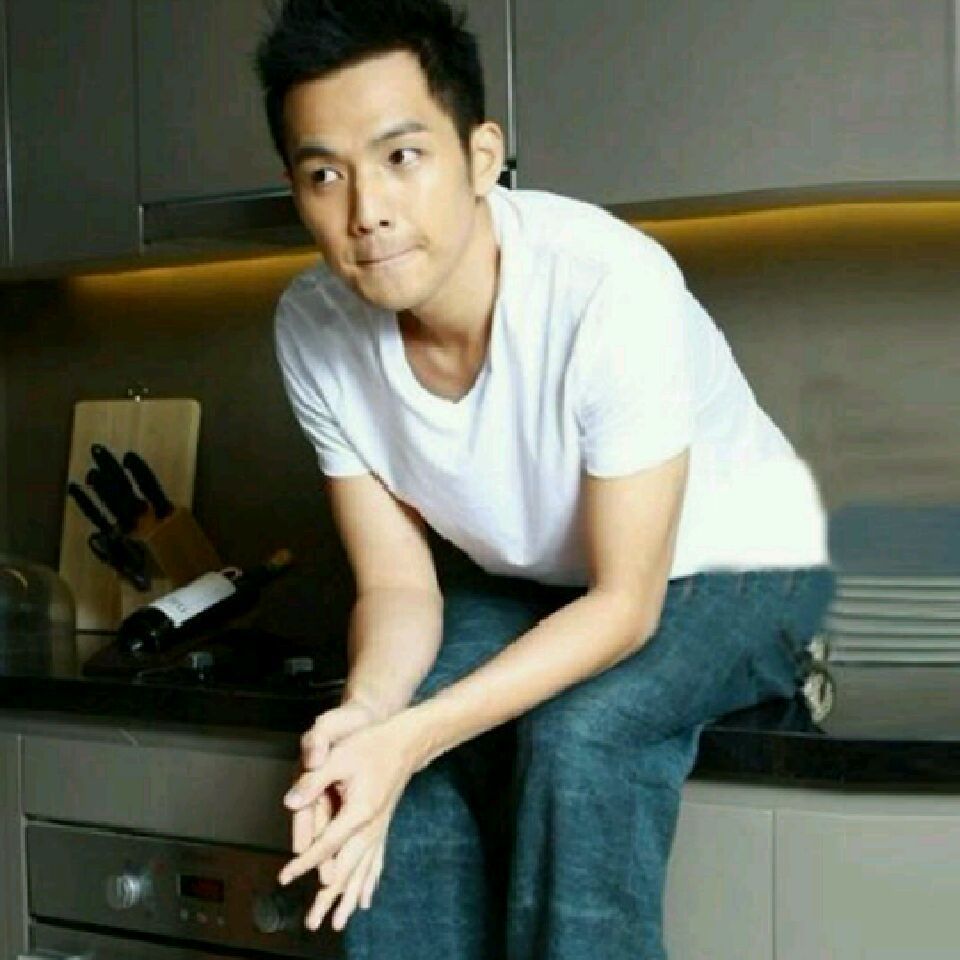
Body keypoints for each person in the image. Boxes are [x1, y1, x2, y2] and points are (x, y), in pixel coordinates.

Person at [256, 1, 834, 957]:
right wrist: (369, 716)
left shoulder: (606, 286)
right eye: (326, 174)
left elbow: (625, 606)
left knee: (581, 736)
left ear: (481, 157)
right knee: (385, 748)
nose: (366, 211)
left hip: (738, 570)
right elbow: (398, 588)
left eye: (402, 156)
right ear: (296, 189)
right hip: (542, 584)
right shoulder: (312, 328)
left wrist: (416, 732)